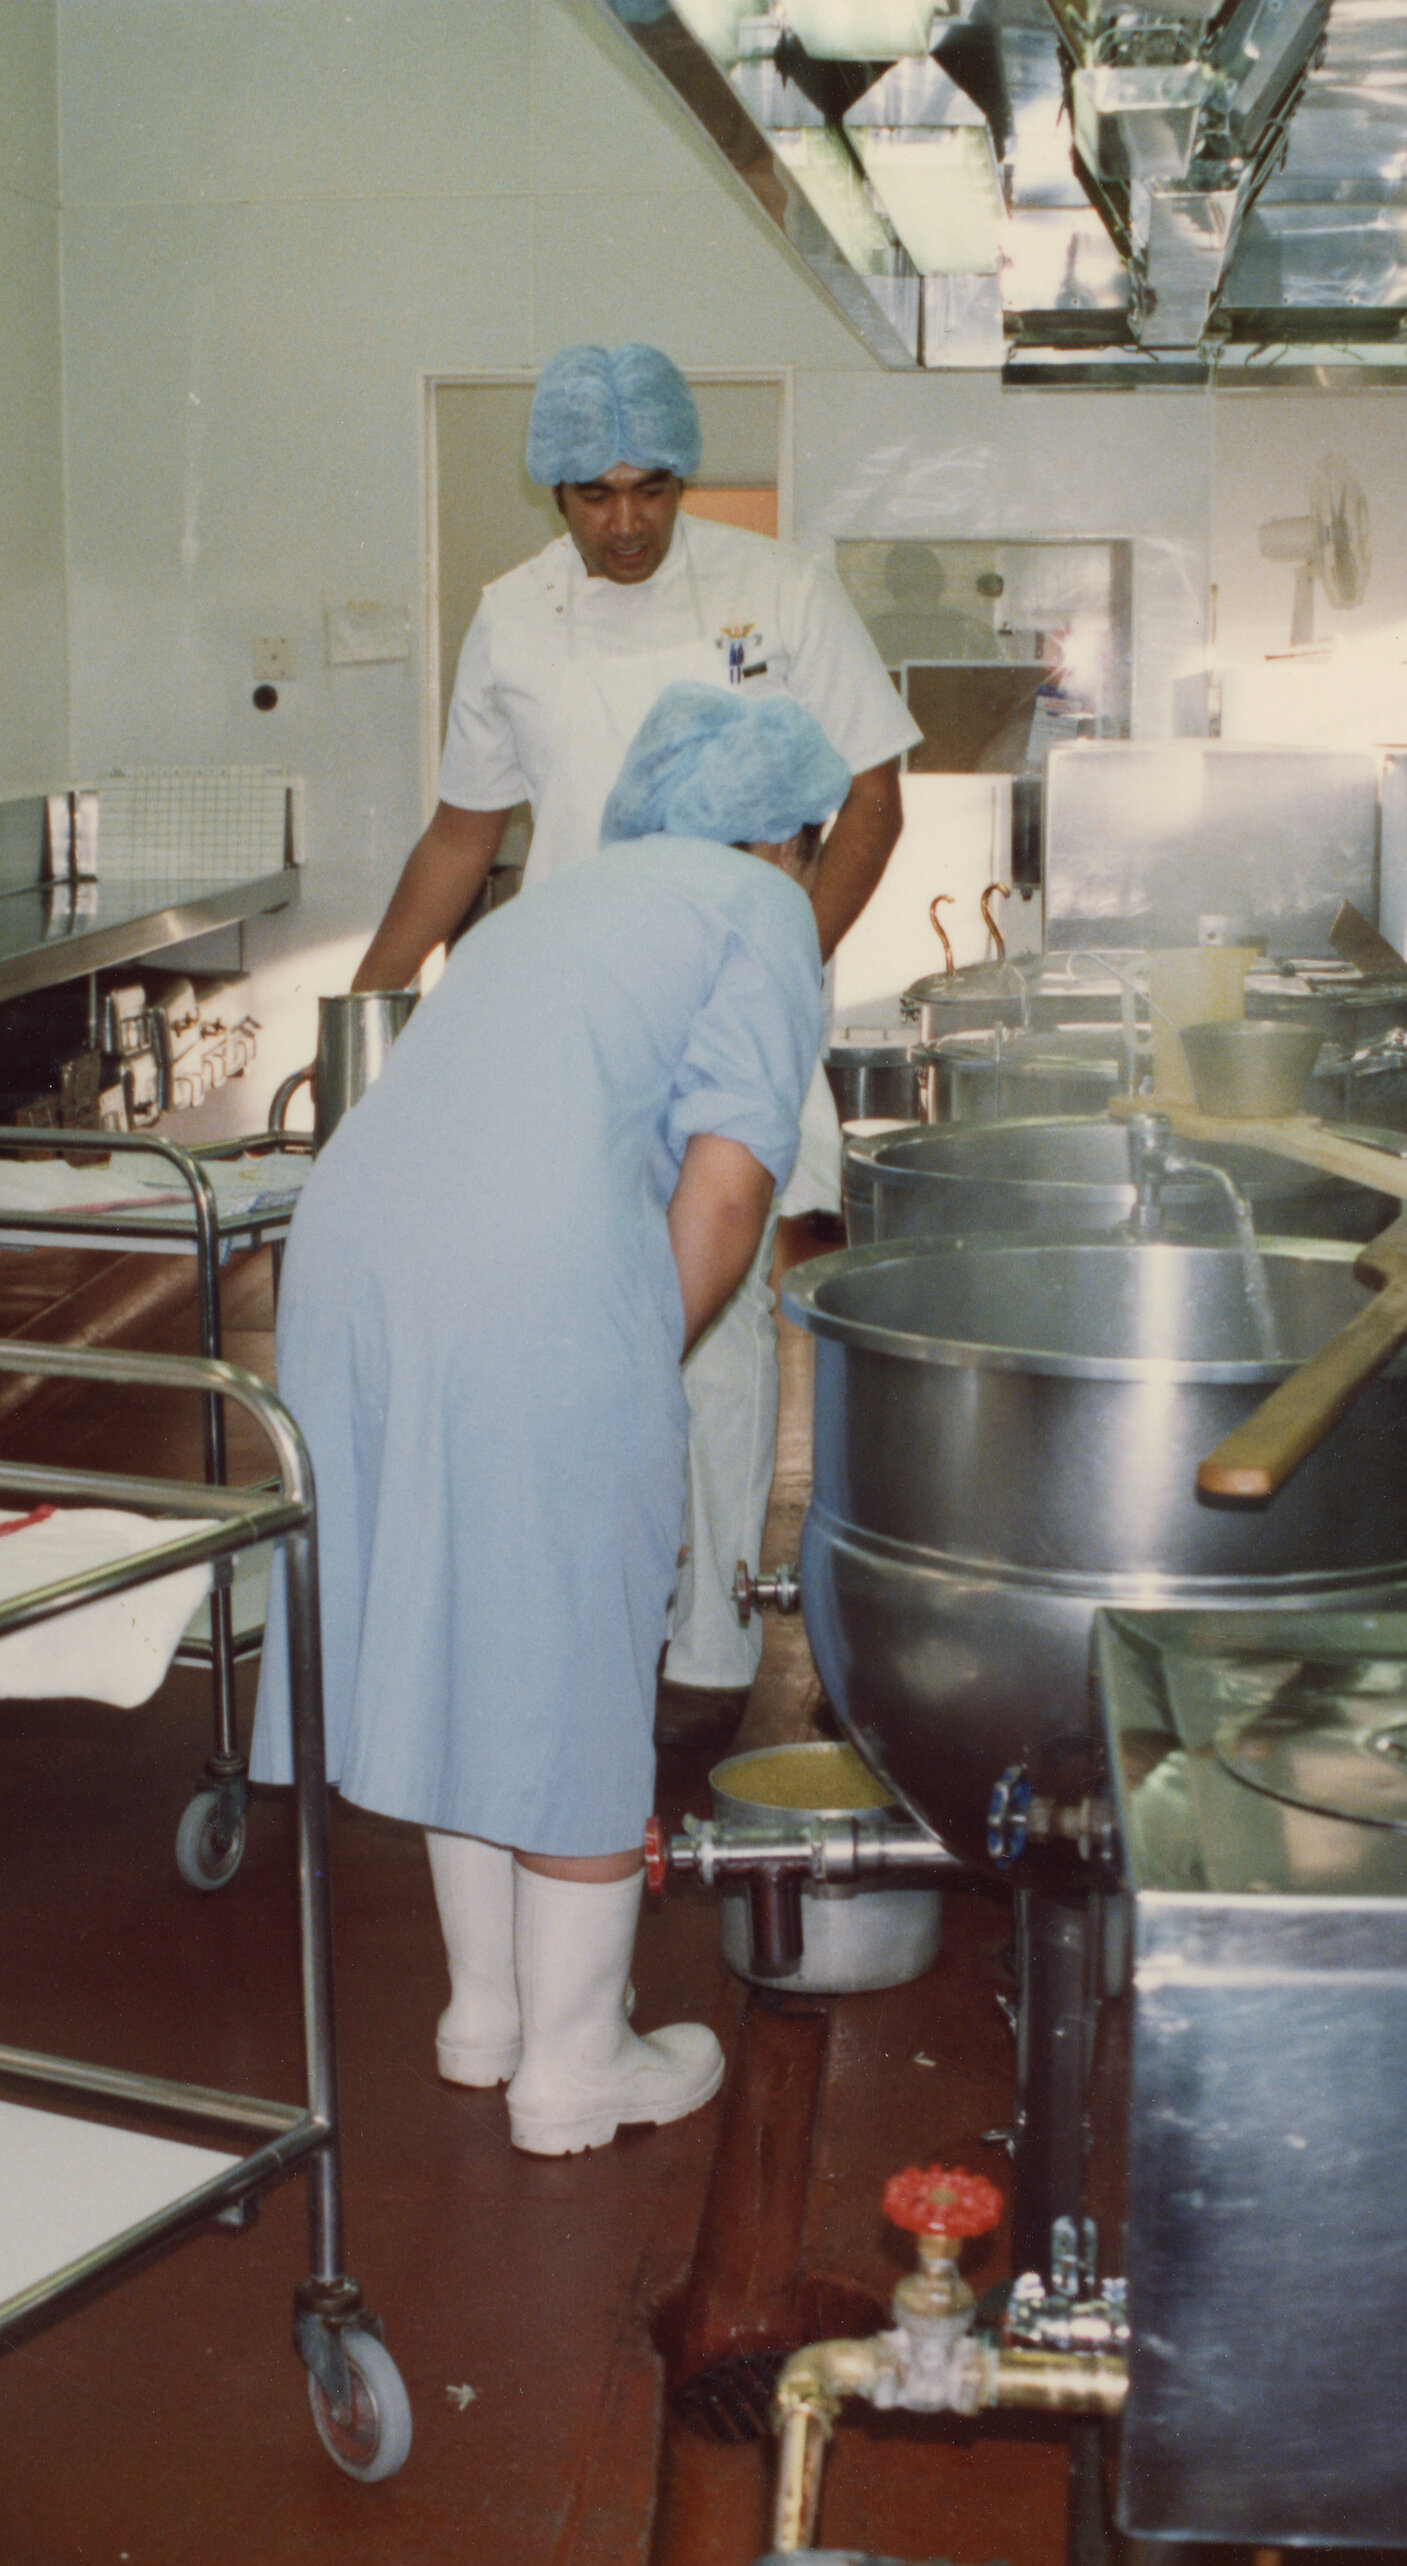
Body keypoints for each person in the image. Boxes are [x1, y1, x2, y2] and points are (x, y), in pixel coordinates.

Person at [251, 685, 852, 2156]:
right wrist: (634, 1362)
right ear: (785, 834)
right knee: (575, 1638)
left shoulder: (557, 906)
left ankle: (487, 2015)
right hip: (523, 1281)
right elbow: (728, 1182)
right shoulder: (763, 912)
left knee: (460, 1624)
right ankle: (578, 2064)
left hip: (346, 1263)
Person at [352, 343, 921, 1747]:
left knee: (718, 1335)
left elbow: (874, 801)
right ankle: (586, 1608)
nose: (623, 522)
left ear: (682, 473)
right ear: (551, 488)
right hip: (577, 1035)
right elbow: (463, 834)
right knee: (577, 1327)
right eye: (592, 494)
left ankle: (711, 1658)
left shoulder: (776, 589)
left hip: (724, 1024)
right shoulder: (513, 620)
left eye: (650, 487)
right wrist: (366, 1017)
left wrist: (780, 963)